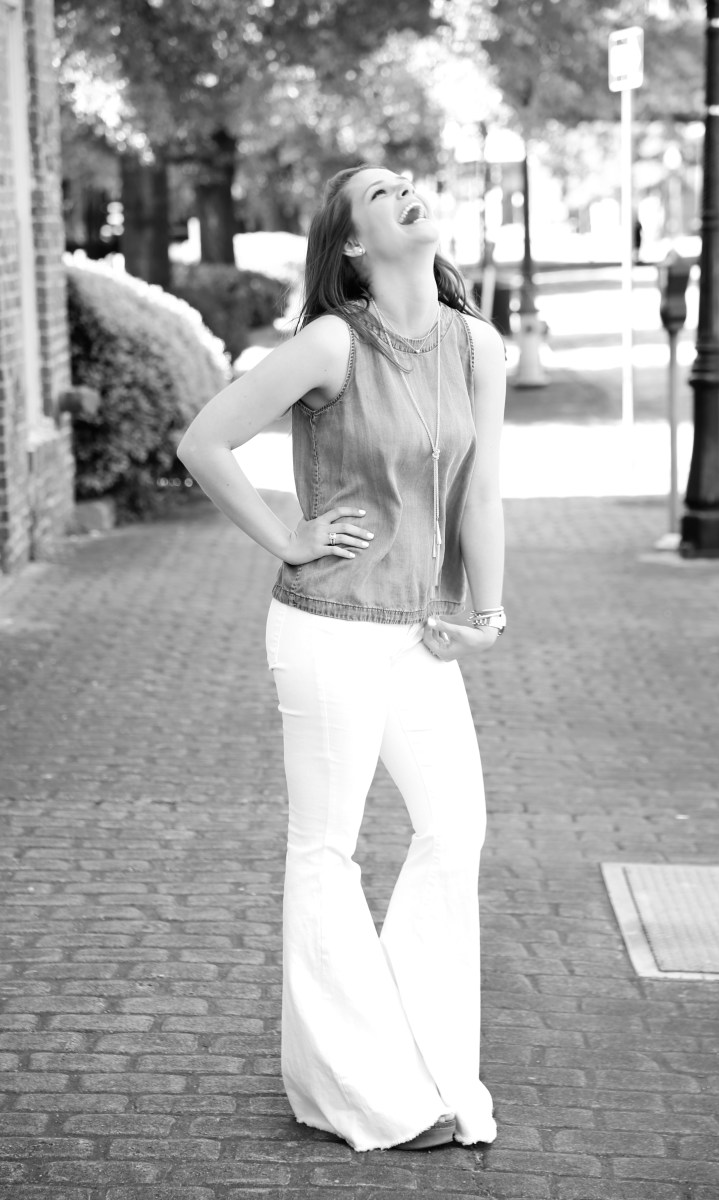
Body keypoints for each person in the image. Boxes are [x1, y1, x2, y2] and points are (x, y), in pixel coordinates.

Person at [177, 164, 506, 1153]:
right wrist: (286, 536)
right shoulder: (331, 341)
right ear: (354, 244)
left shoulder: (477, 345)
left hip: (418, 633)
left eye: (406, 180)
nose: (404, 190)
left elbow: (481, 491)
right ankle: (359, 1093)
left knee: (455, 830)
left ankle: (420, 1061)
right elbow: (205, 442)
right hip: (327, 624)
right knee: (326, 850)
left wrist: (486, 616)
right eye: (377, 192)